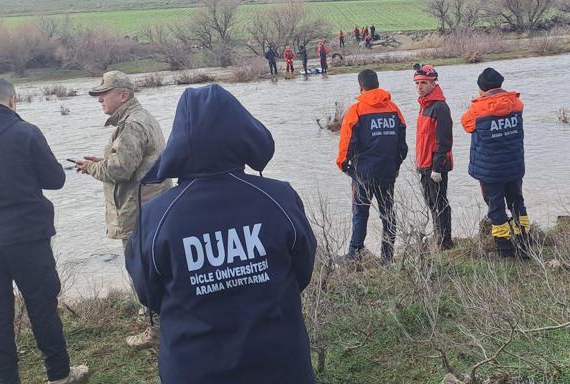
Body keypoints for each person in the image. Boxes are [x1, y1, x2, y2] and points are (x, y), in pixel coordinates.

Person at [125, 84, 317, 384]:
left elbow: (149, 292)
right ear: (243, 134)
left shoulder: (156, 214)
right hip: (280, 361)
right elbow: (302, 271)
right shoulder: (278, 197)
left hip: (193, 365)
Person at [0, 77, 89, 384]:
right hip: (27, 237)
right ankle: (59, 375)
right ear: (12, 101)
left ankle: (6, 380)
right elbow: (55, 179)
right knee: (42, 307)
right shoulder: (25, 132)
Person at [75, 71, 171, 349]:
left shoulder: (132, 124)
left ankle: (156, 331)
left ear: (123, 95)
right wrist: (103, 160)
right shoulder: (141, 118)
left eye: (103, 94)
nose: (99, 100)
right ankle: (152, 314)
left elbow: (120, 169)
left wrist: (92, 167)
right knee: (152, 265)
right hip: (151, 204)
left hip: (140, 207)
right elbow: (128, 162)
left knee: (143, 269)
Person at [337, 69, 408, 263]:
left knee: (360, 213)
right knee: (388, 212)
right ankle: (387, 256)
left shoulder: (356, 110)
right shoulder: (394, 109)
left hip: (363, 173)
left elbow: (346, 142)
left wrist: (343, 165)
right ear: (378, 84)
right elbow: (402, 142)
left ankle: (354, 254)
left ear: (360, 86)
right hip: (387, 171)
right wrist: (397, 164)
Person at [461, 68, 530, 258]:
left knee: (496, 207)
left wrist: (477, 102)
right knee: (518, 201)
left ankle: (505, 250)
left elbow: (466, 125)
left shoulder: (477, 109)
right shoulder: (516, 103)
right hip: (514, 165)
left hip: (490, 170)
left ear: (481, 89)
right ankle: (525, 245)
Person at [414, 65, 454, 250]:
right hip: (423, 164)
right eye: (417, 83)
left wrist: (437, 168)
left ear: (433, 83)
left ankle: (445, 241)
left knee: (440, 203)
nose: (419, 86)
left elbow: (444, 140)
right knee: (431, 203)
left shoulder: (439, 107)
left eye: (423, 83)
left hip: (435, 165)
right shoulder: (424, 105)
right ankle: (438, 235)